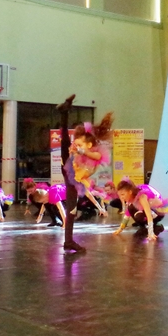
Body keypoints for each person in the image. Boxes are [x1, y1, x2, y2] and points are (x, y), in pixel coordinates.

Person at [56, 94, 113, 253]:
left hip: (75, 178)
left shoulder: (94, 154)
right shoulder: (77, 153)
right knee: (64, 142)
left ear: (88, 145)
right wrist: (78, 150)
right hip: (71, 173)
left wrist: (82, 151)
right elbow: (70, 146)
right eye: (76, 142)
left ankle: (68, 241)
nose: (76, 144)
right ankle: (64, 113)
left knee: (72, 210)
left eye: (79, 143)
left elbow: (97, 156)